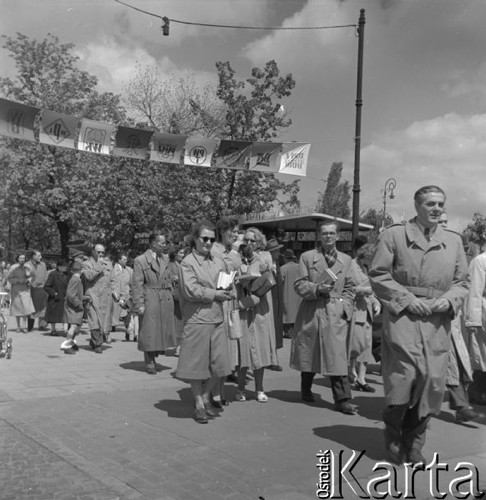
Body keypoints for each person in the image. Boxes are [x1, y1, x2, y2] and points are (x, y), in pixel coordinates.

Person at [369, 185, 468, 467]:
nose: (436, 209)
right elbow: (378, 274)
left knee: (433, 385)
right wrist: (407, 300)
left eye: (440, 204)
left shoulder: (454, 241)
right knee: (403, 380)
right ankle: (393, 437)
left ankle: (414, 443)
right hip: (403, 318)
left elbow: (462, 283)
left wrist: (447, 301)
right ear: (417, 205)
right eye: (430, 204)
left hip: (437, 320)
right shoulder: (394, 235)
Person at [290, 221, 356, 414]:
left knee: (336, 356)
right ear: (319, 235)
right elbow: (299, 284)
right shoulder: (307, 257)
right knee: (310, 350)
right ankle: (306, 387)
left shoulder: (346, 260)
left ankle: (342, 399)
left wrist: (345, 306)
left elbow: (351, 287)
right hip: (312, 309)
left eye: (332, 233)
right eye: (324, 233)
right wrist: (316, 288)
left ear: (338, 236)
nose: (328, 236)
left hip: (335, 311)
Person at [175, 220, 233, 423]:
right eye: (204, 238)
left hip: (217, 318)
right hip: (197, 319)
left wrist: (229, 289)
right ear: (195, 239)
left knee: (219, 365)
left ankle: (207, 396)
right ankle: (199, 403)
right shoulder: (188, 263)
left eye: (212, 239)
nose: (208, 242)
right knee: (196, 366)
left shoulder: (217, 261)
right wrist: (215, 294)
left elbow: (227, 281)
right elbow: (190, 291)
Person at [438, 212, 479, 422]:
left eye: (446, 221)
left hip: (452, 314)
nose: (443, 225)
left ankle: (461, 405)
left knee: (457, 359)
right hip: (427, 315)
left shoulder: (455, 249)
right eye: (440, 221)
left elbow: (464, 281)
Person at [132, 232, 176, 374]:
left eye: (165, 243)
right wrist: (139, 304)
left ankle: (155, 353)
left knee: (161, 330)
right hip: (150, 297)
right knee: (149, 330)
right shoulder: (141, 260)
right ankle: (149, 360)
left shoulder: (166, 259)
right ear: (153, 243)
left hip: (165, 298)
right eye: (162, 243)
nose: (165, 245)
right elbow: (137, 284)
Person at [348, 243, 381, 392]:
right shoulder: (350, 266)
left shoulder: (367, 267)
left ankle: (361, 378)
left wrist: (376, 302)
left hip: (367, 311)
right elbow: (344, 289)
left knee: (366, 347)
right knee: (356, 346)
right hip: (355, 310)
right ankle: (352, 374)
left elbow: (371, 291)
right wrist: (362, 290)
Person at [464, 240, 486, 406]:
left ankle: (476, 390)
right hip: (483, 313)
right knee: (482, 355)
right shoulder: (480, 261)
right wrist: (473, 319)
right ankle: (475, 391)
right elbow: (474, 291)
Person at [82, 244, 114, 353]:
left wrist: (116, 293)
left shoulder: (109, 264)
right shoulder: (85, 264)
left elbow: (112, 279)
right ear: (93, 252)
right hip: (92, 295)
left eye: (102, 253)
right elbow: (89, 276)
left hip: (105, 296)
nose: (100, 254)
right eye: (98, 252)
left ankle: (94, 340)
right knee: (94, 319)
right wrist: (99, 266)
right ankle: (97, 344)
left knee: (104, 321)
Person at [62, 262, 90, 355]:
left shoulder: (75, 279)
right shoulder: (75, 280)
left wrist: (85, 297)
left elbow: (75, 294)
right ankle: (67, 346)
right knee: (73, 326)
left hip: (74, 307)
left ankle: (71, 343)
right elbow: (71, 295)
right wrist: (79, 304)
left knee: (76, 327)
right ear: (82, 271)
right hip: (74, 307)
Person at [7, 254, 35, 332]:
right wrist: (17, 280)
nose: (22, 259)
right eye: (20, 258)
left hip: (25, 289)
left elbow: (33, 276)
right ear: (17, 259)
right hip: (16, 289)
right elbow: (9, 278)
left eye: (23, 258)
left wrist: (29, 280)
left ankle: (24, 326)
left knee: (26, 308)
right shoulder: (13, 267)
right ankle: (18, 326)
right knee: (17, 308)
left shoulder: (28, 267)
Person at [167, 244, 187, 355]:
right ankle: (179, 347)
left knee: (182, 323)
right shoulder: (171, 265)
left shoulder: (182, 264)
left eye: (183, 253)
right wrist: (175, 278)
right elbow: (168, 278)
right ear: (175, 254)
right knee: (178, 323)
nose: (183, 255)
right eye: (181, 253)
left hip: (183, 296)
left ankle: (180, 346)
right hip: (175, 297)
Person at [266, 238, 284, 350]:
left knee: (277, 325)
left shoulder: (276, 264)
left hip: (277, 299)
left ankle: (275, 352)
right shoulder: (266, 265)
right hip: (270, 300)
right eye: (276, 251)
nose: (278, 253)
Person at [279, 249, 301, 339]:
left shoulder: (283, 269)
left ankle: (289, 333)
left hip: (287, 294)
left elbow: (280, 282)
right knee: (297, 314)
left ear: (285, 258)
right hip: (299, 295)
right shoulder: (300, 267)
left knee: (287, 314)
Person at [43, 260, 69, 336]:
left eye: (66, 266)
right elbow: (46, 286)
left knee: (65, 314)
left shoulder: (67, 275)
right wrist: (54, 293)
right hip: (55, 298)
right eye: (63, 266)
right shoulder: (53, 274)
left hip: (64, 297)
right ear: (59, 266)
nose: (65, 268)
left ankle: (65, 330)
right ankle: (53, 329)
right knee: (53, 314)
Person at [111, 253, 133, 339]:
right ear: (119, 260)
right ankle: (111, 328)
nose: (126, 261)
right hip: (116, 296)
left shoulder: (129, 270)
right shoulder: (113, 269)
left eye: (126, 259)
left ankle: (128, 331)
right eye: (124, 260)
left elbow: (131, 283)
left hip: (126, 295)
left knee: (127, 315)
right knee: (114, 313)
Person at [26, 250, 49, 331]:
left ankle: (42, 325)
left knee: (43, 306)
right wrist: (32, 284)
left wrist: (45, 284)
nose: (41, 257)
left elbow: (46, 276)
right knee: (32, 307)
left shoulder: (43, 264)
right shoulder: (27, 265)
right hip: (31, 289)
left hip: (42, 288)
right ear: (33, 256)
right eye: (39, 256)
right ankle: (30, 326)